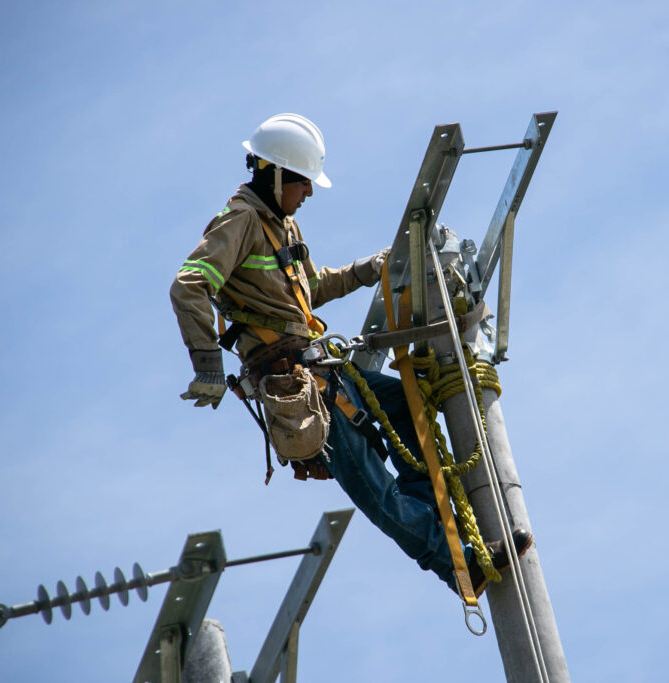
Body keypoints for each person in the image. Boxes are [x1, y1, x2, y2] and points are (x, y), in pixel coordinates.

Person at [169, 113, 529, 594]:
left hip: (324, 369)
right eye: (303, 183)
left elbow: (310, 288)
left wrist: (368, 268)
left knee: (405, 402)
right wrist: (208, 365)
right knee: (374, 487)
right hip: (294, 384)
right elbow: (189, 285)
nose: (309, 194)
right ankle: (458, 567)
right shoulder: (241, 221)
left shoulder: (283, 227)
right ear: (275, 176)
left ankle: (449, 526)